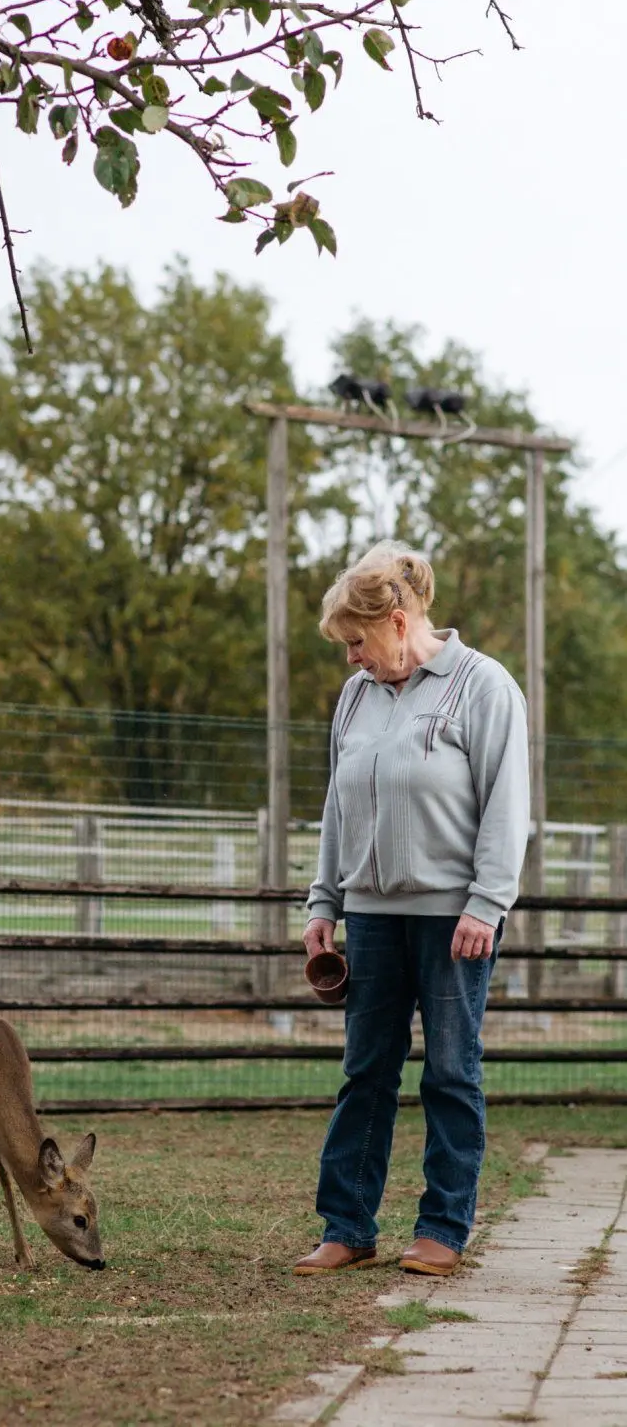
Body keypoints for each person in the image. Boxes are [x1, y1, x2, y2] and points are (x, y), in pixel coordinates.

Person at [294, 540, 530, 1278]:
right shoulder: (356, 696)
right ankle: (347, 1227)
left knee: (450, 1073)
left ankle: (442, 1230)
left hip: (455, 920)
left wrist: (485, 904)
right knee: (366, 1071)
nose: (351, 659)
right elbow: (338, 806)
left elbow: (506, 805)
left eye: (356, 642)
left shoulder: (483, 685)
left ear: (396, 623)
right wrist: (324, 901)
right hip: (370, 915)